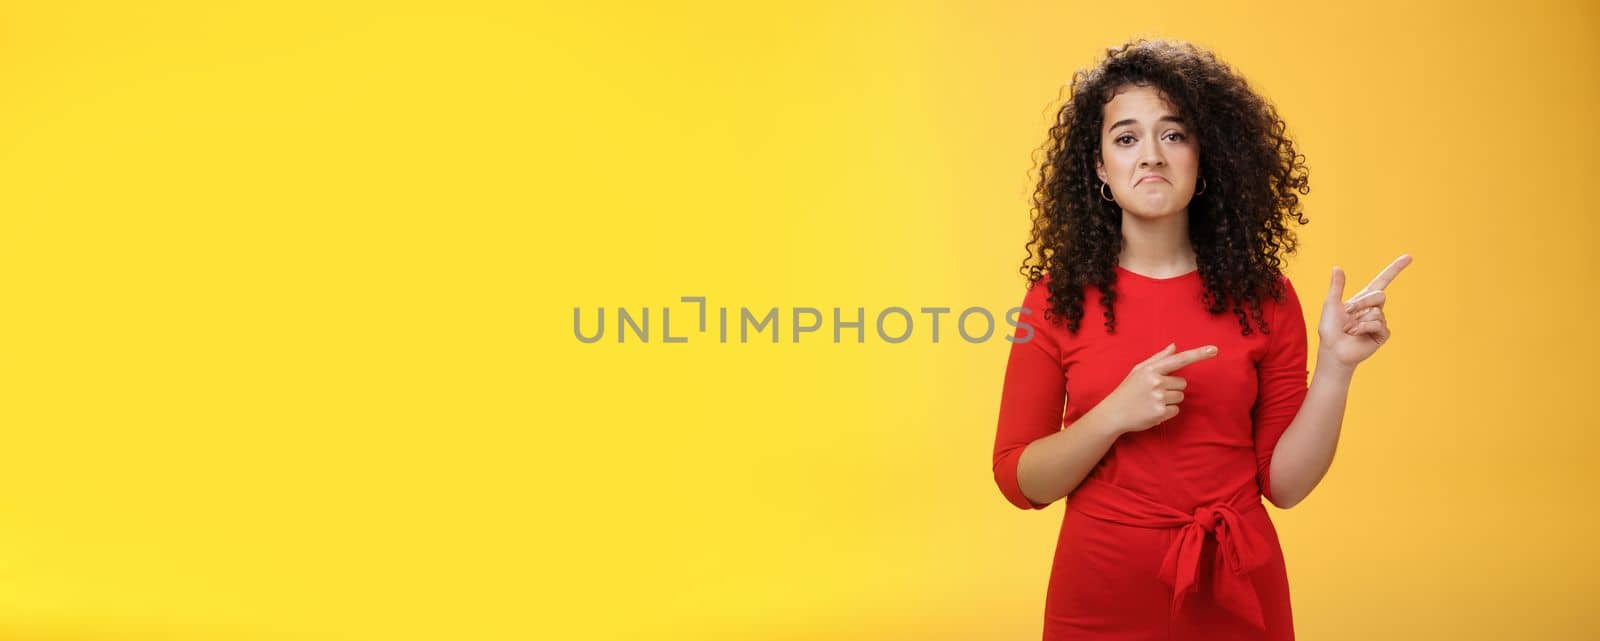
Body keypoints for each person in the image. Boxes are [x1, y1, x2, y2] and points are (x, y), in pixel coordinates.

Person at [991, 38, 1411, 640]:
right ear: (1100, 167)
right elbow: (1019, 481)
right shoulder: (1052, 299)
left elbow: (1285, 487)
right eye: (1127, 138)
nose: (1151, 156)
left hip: (1238, 590)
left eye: (1174, 134)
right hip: (1099, 594)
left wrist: (1338, 368)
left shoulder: (1266, 296)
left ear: (1203, 158)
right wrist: (1114, 414)